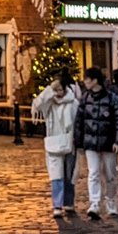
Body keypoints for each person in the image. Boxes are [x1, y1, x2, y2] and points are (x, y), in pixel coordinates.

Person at [73, 67, 118, 220]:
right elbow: (79, 122)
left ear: (95, 80)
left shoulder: (112, 99)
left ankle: (111, 201)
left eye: (87, 79)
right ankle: (94, 203)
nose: (85, 82)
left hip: (108, 142)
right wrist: (79, 142)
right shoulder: (85, 99)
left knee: (110, 175)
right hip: (91, 143)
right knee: (93, 173)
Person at [32, 75, 79, 218]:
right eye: (55, 89)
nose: (58, 92)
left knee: (69, 174)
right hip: (53, 142)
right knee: (56, 175)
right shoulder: (49, 103)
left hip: (70, 142)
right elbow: (37, 104)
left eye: (60, 89)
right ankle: (57, 205)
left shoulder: (73, 103)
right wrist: (49, 89)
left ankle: (68, 203)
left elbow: (77, 122)